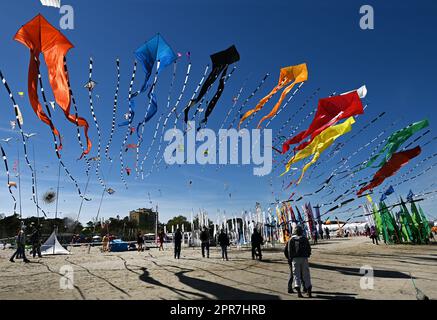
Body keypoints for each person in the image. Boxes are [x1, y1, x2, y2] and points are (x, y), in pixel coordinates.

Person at [284, 225, 312, 298]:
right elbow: (309, 249)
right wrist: (308, 255)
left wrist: (290, 259)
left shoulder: (291, 239)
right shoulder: (305, 239)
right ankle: (309, 292)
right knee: (306, 275)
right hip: (304, 258)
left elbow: (289, 250)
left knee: (296, 275)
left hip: (295, 259)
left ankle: (299, 293)